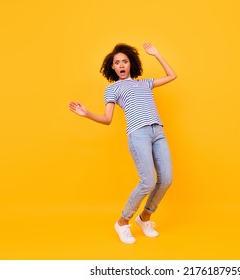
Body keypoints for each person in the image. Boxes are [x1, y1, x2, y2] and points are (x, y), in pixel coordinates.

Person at [68, 42, 177, 244]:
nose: (121, 65)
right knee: (148, 182)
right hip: (138, 134)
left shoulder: (144, 83)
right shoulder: (113, 89)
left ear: (131, 63)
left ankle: (145, 218)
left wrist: (157, 54)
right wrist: (87, 114)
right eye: (117, 62)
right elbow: (107, 119)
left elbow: (172, 76)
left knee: (167, 179)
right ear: (112, 67)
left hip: (158, 131)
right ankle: (122, 222)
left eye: (124, 61)